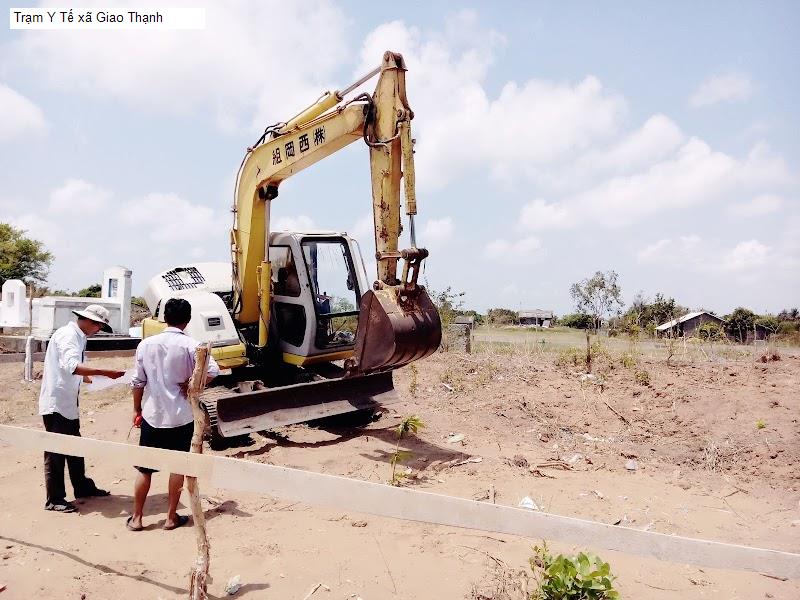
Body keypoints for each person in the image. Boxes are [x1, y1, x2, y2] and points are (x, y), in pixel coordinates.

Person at [127, 298, 219, 531]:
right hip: (181, 415)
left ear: (163, 318)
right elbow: (213, 370)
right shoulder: (192, 345)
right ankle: (170, 517)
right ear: (187, 320)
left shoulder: (146, 345)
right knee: (177, 466)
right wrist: (192, 385)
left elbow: (138, 382)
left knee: (145, 469)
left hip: (152, 415)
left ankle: (137, 518)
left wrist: (137, 409)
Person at [38, 304, 126, 513]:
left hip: (67, 402)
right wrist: (105, 373)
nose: (98, 331)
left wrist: (100, 380)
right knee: (56, 451)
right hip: (57, 403)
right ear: (90, 321)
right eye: (98, 326)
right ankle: (55, 498)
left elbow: (76, 372)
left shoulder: (78, 336)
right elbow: (73, 367)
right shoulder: (69, 336)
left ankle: (82, 486)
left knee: (75, 447)